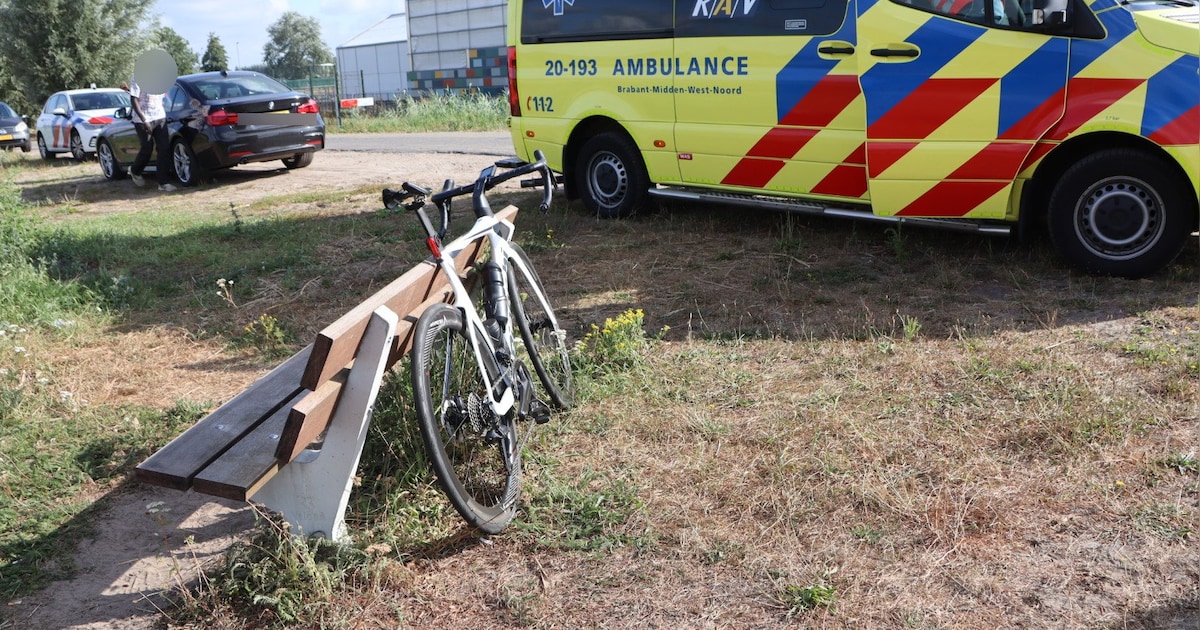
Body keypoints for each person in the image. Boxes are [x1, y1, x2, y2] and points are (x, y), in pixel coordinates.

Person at [123, 78, 176, 192]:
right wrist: (144, 120)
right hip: (143, 119)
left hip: (160, 116)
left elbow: (165, 97)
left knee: (164, 148)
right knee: (147, 147)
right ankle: (135, 170)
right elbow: (134, 99)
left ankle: (163, 183)